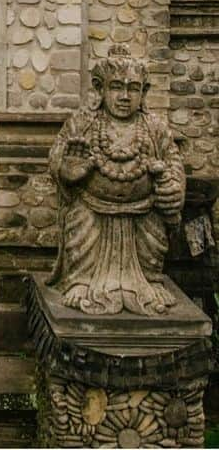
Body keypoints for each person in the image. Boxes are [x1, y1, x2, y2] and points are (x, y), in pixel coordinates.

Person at [47, 45, 184, 316]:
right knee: (81, 223)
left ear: (143, 92)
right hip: (92, 208)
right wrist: (66, 170)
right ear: (100, 89)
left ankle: (150, 279)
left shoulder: (155, 128)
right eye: (116, 87)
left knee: (153, 233)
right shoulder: (82, 123)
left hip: (142, 211)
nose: (124, 96)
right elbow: (56, 155)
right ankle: (81, 280)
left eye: (133, 88)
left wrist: (173, 188)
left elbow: (174, 162)